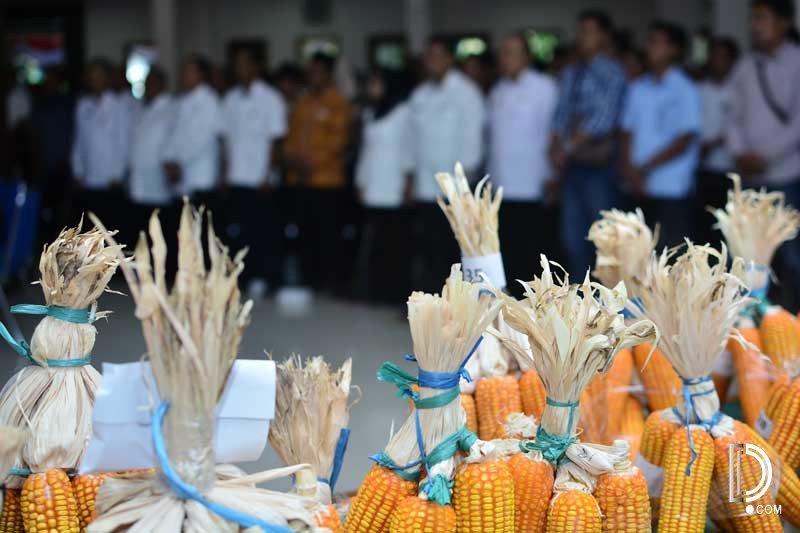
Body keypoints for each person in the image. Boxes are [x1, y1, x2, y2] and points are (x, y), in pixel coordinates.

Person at [727, 0, 800, 307]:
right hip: (748, 176)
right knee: (744, 257)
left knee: (790, 255)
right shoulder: (745, 66)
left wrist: (765, 156)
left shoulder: (797, 62)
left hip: (785, 175)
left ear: (784, 23)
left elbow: (798, 122)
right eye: (753, 19)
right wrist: (740, 152)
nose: (755, 25)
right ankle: (750, 324)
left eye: (763, 19)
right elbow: (732, 115)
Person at [550, 10, 627, 279]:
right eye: (580, 31)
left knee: (603, 237)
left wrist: (567, 145)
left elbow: (602, 121)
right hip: (572, 165)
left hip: (598, 166)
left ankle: (607, 300)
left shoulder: (612, 71)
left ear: (604, 36)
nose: (582, 37)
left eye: (589, 32)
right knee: (572, 237)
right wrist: (557, 145)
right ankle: (578, 300)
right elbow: (560, 114)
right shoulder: (571, 72)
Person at [408, 36, 485, 293]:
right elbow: (412, 139)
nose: (432, 62)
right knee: (427, 246)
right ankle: (430, 303)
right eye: (428, 57)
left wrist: (463, 186)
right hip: (424, 185)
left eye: (438, 56)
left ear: (449, 59)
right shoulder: (419, 95)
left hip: (455, 188)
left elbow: (472, 142)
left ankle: (457, 307)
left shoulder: (466, 93)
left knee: (453, 251)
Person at [621, 21, 701, 250]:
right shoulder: (638, 88)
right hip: (637, 185)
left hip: (671, 186)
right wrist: (630, 169)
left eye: (656, 42)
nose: (649, 48)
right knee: (637, 254)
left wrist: (644, 168)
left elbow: (684, 139)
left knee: (672, 253)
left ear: (674, 50)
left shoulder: (685, 89)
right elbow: (626, 131)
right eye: (649, 42)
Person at [488, 33, 558, 292]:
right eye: (503, 52)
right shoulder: (497, 91)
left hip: (532, 181)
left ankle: (535, 305)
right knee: (507, 247)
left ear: (527, 56)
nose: (506, 58)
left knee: (533, 248)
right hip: (502, 183)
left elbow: (553, 133)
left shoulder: (545, 88)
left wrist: (551, 175)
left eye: (513, 52)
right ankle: (512, 303)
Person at [222, 46, 288, 297]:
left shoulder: (271, 98)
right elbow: (226, 140)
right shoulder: (230, 99)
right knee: (239, 232)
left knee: (265, 232)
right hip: (238, 176)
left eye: (244, 63)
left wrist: (270, 175)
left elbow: (276, 140)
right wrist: (225, 173)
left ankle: (267, 278)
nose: (240, 69)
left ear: (256, 67)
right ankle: (245, 277)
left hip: (261, 179)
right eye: (236, 64)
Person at [283, 52, 353, 291]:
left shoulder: (338, 103)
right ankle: (308, 278)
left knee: (328, 235)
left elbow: (339, 141)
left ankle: (330, 281)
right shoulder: (302, 103)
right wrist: (294, 159)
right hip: (300, 180)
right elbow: (290, 136)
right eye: (310, 72)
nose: (313, 77)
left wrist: (311, 163)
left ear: (328, 74)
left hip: (327, 180)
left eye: (318, 72)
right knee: (305, 233)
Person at [354, 68, 413, 305]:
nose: (372, 89)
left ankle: (397, 293)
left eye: (376, 83)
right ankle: (375, 291)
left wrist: (409, 182)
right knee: (375, 244)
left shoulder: (403, 112)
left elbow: (409, 148)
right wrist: (361, 181)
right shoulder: (370, 114)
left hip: (394, 185)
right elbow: (366, 151)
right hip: (373, 184)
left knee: (396, 244)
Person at [71, 58, 126, 227]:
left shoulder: (118, 105)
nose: (95, 80)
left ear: (107, 79)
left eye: (99, 76)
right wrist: (78, 169)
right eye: (92, 76)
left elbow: (123, 141)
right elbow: (79, 140)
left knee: (110, 227)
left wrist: (118, 173)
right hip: (88, 177)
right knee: (89, 228)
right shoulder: (83, 105)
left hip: (109, 178)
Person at [163, 54, 224, 205]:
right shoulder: (182, 101)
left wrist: (179, 162)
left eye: (189, 71)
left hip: (200, 173)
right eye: (183, 71)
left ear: (201, 74)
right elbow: (173, 133)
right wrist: (169, 159)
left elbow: (201, 138)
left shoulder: (210, 100)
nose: (184, 75)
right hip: (179, 174)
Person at [696, 37, 740, 245]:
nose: (717, 62)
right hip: (704, 166)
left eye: (723, 58)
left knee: (730, 229)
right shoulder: (700, 89)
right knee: (705, 225)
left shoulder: (738, 90)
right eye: (714, 57)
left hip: (733, 168)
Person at [128, 66, 175, 243]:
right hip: (140, 179)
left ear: (162, 85)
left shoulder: (170, 108)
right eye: (147, 83)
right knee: (142, 231)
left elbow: (174, 141)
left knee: (160, 233)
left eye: (152, 83)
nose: (148, 87)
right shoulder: (143, 109)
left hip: (158, 179)